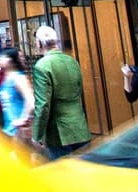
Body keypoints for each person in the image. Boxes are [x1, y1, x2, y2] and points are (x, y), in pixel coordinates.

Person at [31, 25, 92, 158]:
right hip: (80, 126)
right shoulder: (72, 61)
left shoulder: (41, 66)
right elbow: (79, 90)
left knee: (62, 169)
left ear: (39, 43)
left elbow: (43, 105)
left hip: (59, 133)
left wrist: (36, 135)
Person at [0, 51, 35, 141]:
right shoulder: (6, 78)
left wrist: (23, 119)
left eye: (3, 57)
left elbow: (31, 101)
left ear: (11, 61)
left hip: (19, 130)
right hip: (10, 128)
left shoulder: (18, 78)